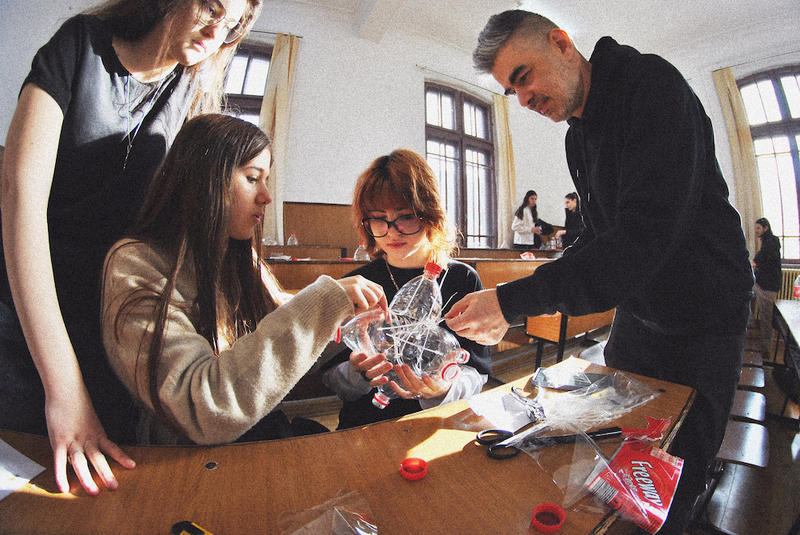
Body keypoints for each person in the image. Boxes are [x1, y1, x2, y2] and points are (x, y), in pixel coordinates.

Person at [445, 10, 753, 533]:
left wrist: (511, 301)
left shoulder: (652, 87)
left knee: (671, 479)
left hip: (704, 317)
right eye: (511, 91)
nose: (523, 99)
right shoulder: (576, 136)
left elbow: (641, 240)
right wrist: (517, 302)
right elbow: (597, 237)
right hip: (640, 318)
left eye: (524, 77)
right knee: (617, 453)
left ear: (562, 44)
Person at [0, 0, 262, 494]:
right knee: (25, 484)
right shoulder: (80, 45)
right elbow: (19, 197)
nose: (217, 30)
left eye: (232, 24)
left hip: (109, 323)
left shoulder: (190, 91)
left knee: (100, 491)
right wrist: (64, 388)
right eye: (212, 7)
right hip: (25, 310)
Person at [101, 114, 388, 445]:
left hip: (253, 434)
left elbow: (278, 348)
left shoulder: (236, 257)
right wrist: (325, 302)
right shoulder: (135, 263)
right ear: (204, 179)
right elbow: (205, 408)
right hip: (183, 460)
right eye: (253, 178)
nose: (266, 196)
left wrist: (358, 329)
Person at [322, 149, 490, 429]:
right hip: (366, 426)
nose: (392, 231)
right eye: (378, 218)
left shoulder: (462, 279)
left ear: (429, 215)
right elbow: (334, 383)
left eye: (406, 216)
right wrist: (357, 373)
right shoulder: (358, 284)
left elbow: (479, 372)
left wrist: (443, 388)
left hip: (436, 425)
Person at [752, 217, 781, 356]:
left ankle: (766, 349)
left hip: (768, 286)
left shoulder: (772, 242)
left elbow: (760, 259)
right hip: (762, 283)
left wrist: (755, 263)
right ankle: (750, 329)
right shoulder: (768, 242)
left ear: (766, 228)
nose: (756, 231)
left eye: (758, 228)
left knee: (766, 317)